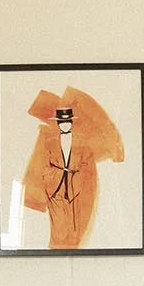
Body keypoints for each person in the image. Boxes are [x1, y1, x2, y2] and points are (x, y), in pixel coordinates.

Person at [21, 86, 124, 249]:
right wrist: (49, 180)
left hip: (76, 188)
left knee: (76, 223)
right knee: (58, 223)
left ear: (71, 122)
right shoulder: (49, 140)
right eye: (61, 122)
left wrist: (79, 177)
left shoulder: (81, 143)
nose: (64, 125)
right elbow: (41, 161)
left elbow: (87, 163)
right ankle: (56, 249)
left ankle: (72, 250)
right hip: (55, 187)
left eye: (67, 122)